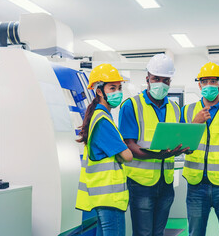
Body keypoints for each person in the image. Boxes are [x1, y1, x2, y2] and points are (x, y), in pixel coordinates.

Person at [118, 53, 189, 236]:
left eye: (165, 80)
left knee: (158, 233)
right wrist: (159, 155)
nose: (161, 83)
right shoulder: (131, 106)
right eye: (156, 78)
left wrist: (184, 147)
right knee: (143, 233)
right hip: (141, 184)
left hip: (165, 182)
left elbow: (177, 139)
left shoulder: (175, 108)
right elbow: (129, 146)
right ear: (147, 78)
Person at [181, 62, 219, 236]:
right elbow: (181, 146)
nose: (208, 85)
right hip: (196, 184)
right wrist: (195, 122)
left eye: (213, 81)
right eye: (204, 81)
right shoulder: (187, 110)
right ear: (199, 84)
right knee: (195, 233)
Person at [75, 64, 133, 236]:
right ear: (99, 91)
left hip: (102, 197)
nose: (117, 92)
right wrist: (122, 153)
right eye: (112, 88)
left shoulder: (100, 116)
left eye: (119, 87)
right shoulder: (102, 120)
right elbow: (127, 155)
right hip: (109, 198)